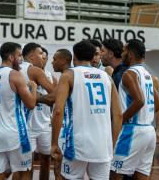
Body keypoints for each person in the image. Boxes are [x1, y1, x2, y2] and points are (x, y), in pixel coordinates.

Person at [51, 40, 123, 179]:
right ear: (92, 57)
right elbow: (118, 115)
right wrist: (112, 143)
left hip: (77, 144)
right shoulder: (107, 77)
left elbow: (58, 110)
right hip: (103, 145)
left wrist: (54, 143)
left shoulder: (68, 75)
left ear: (74, 56)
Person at [0, 42, 37, 180]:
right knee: (25, 172)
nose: (22, 59)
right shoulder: (15, 75)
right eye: (19, 55)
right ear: (11, 57)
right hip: (16, 134)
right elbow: (31, 104)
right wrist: (34, 87)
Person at [110, 39, 159, 180]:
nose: (122, 53)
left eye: (125, 50)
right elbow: (158, 105)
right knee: (141, 176)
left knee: (114, 173)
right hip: (149, 132)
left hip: (132, 130)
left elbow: (139, 100)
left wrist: (122, 118)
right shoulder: (148, 75)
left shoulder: (129, 74)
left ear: (131, 55)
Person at [18, 43, 55, 179]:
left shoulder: (15, 70)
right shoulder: (34, 71)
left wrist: (37, 97)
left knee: (28, 164)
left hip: (43, 124)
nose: (43, 58)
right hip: (29, 125)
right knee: (26, 165)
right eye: (41, 55)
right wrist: (38, 98)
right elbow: (55, 95)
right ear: (32, 56)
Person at [50, 49, 72, 180]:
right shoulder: (70, 75)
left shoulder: (68, 75)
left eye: (55, 59)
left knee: (60, 168)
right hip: (69, 127)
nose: (52, 62)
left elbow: (52, 98)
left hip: (67, 129)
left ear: (64, 60)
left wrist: (33, 97)